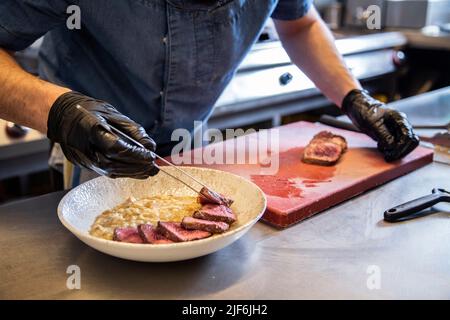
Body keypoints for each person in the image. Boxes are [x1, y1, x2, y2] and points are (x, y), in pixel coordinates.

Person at [0, 0, 419, 186]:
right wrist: (61, 112)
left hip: (190, 144)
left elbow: (301, 24)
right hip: (86, 144)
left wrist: (355, 99)